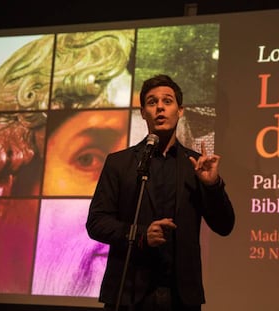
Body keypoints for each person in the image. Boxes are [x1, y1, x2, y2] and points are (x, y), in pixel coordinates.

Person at [86, 74, 235, 311]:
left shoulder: (195, 164)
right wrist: (142, 234)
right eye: (152, 102)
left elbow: (225, 225)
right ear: (143, 112)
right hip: (129, 292)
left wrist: (212, 185)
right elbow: (96, 222)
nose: (160, 108)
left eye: (167, 101)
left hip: (181, 296)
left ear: (180, 110)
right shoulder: (119, 163)